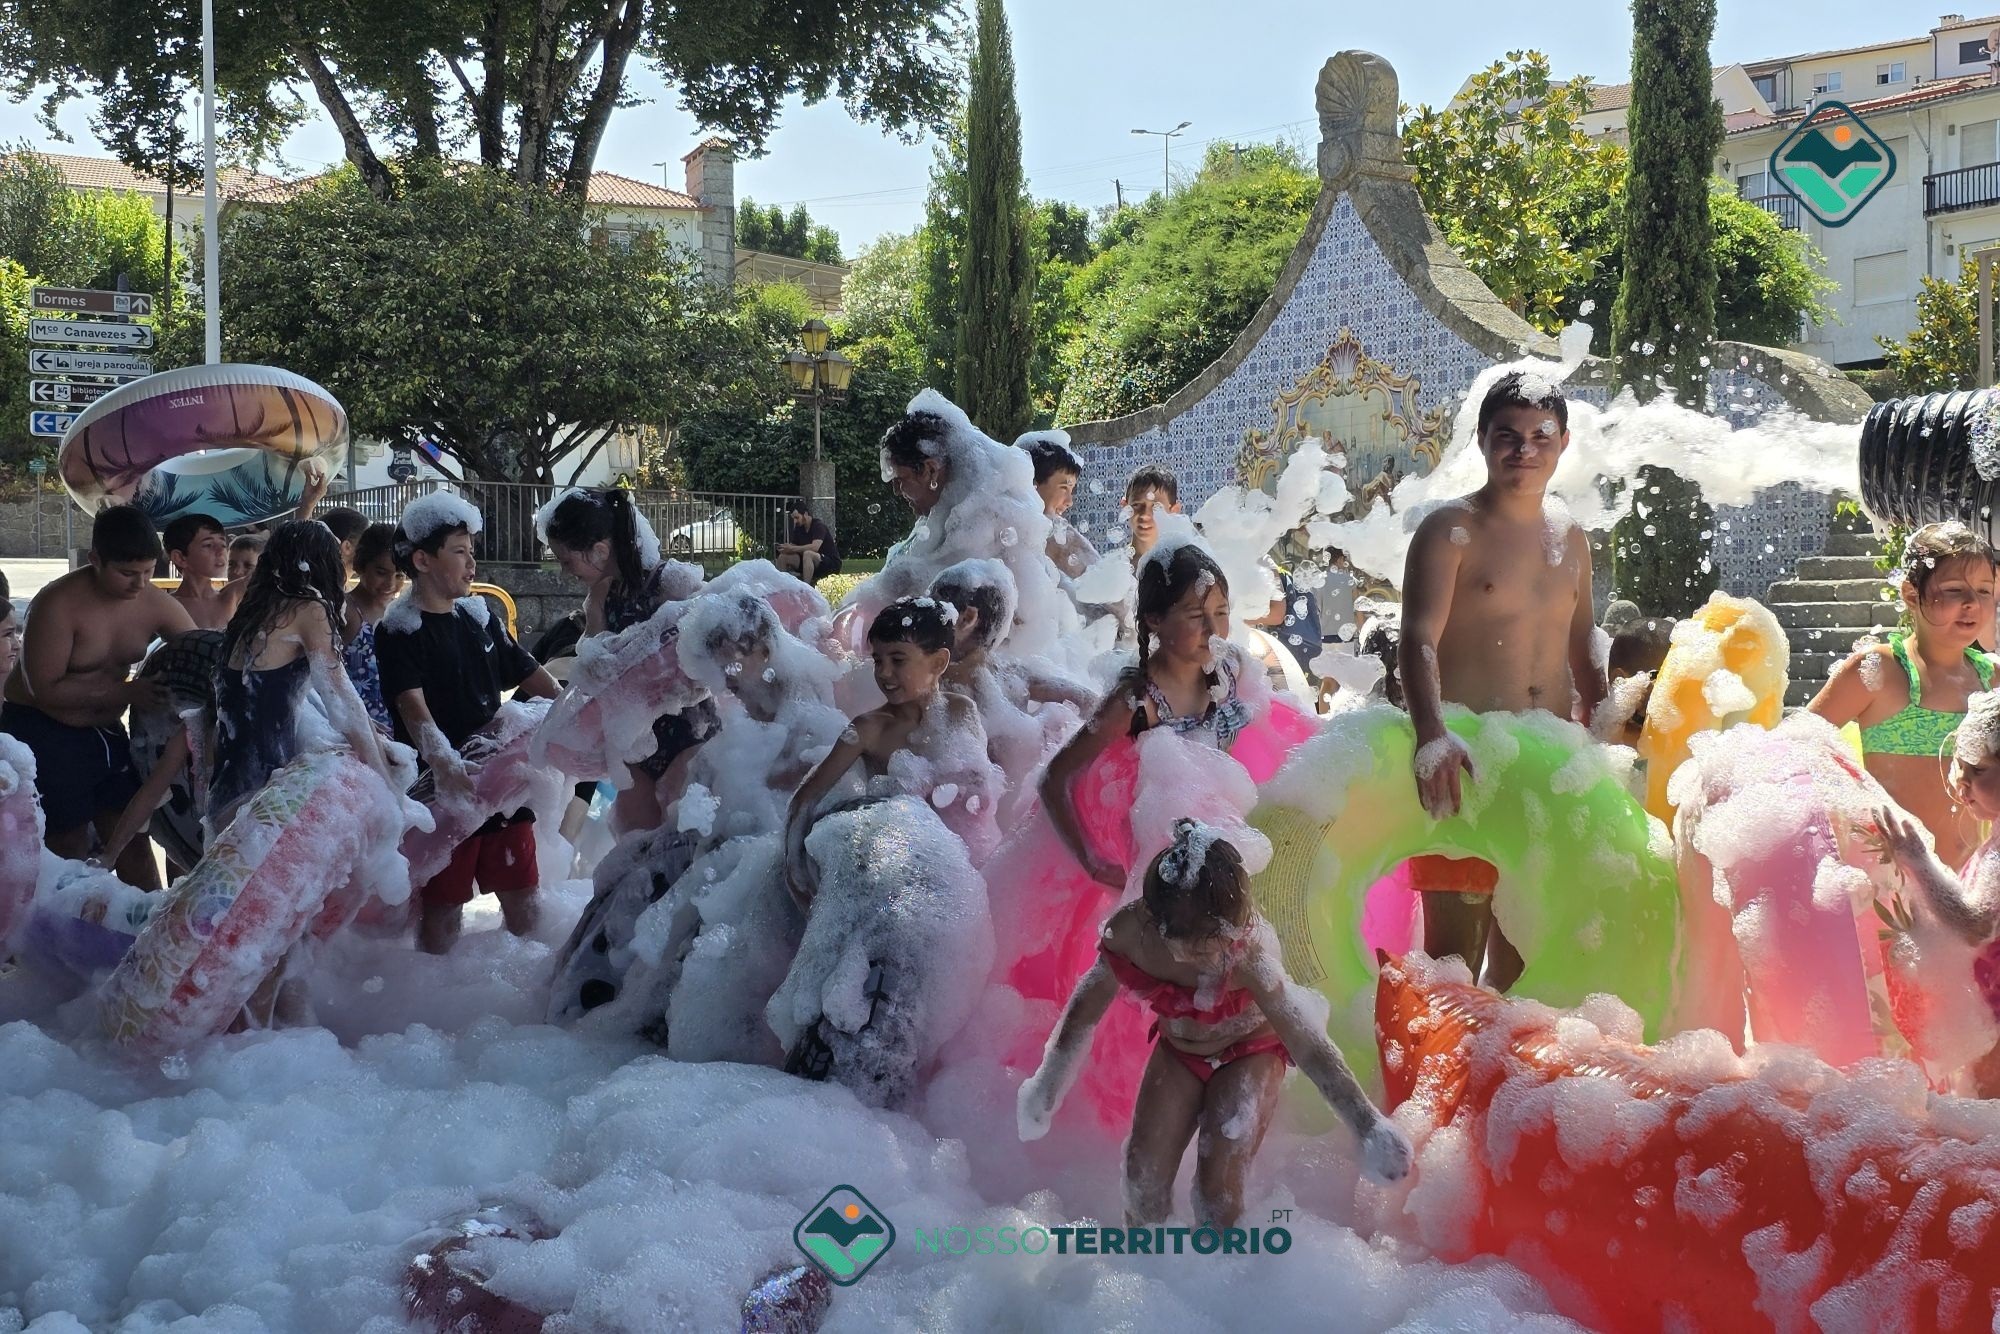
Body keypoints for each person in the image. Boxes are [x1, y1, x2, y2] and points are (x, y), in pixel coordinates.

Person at [1018, 821, 1411, 1225]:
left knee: (1217, 1189)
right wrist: (1047, 1084)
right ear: (1157, 924)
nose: (1205, 958)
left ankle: (1220, 1269)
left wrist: (1367, 1125)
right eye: (1190, 945)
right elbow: (1085, 1009)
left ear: (1236, 929)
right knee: (1141, 1181)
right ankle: (1152, 1276)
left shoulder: (1246, 957)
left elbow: (1308, 1044)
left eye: (1217, 943)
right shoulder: (1130, 935)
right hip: (1181, 1052)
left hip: (1250, 1052)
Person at [1397, 371, 1604, 991]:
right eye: (1506, 436)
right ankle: (1435, 1085)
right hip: (1469, 760)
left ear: (1563, 442)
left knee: (1528, 960)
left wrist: (1606, 734)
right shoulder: (1450, 529)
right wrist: (1431, 736)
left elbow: (1583, 644)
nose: (1524, 449)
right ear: (1482, 441)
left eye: (1540, 435)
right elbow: (1417, 638)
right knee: (1452, 965)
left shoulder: (1570, 537)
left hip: (1546, 763)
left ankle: (1505, 1086)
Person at [376, 495, 561, 954]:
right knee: (442, 908)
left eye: (471, 550)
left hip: (498, 781)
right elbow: (411, 708)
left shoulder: (480, 616)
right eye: (460, 550)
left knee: (524, 897)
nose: (472, 562)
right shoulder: (399, 629)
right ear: (422, 559)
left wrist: (573, 716)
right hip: (441, 793)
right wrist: (443, 762)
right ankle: (435, 1004)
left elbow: (536, 678)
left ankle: (532, 993)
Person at [2, 505, 193, 887]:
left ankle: (145, 930)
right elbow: (45, 689)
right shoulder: (57, 603)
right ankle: (61, 935)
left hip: (106, 730)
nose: (139, 583)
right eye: (126, 573)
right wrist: (127, 691)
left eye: (147, 571)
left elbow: (201, 651)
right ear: (95, 560)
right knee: (66, 841)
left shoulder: (153, 602)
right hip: (42, 729)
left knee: (132, 837)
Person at [1810, 521, 1998, 872]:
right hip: (1895, 884)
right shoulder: (1880, 671)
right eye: (1956, 590)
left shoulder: (1992, 679)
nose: (1972, 603)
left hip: (1971, 883)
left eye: (1985, 591)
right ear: (1912, 595)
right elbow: (1794, 747)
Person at [784, 597, 997, 902]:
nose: (884, 673)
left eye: (897, 660)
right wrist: (796, 874)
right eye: (878, 661)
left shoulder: (962, 711)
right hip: (893, 876)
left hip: (958, 870)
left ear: (938, 663)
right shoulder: (869, 728)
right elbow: (805, 799)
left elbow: (983, 795)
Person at [541, 486, 711, 832]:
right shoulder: (600, 597)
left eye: (567, 560)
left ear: (600, 551)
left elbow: (716, 631)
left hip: (690, 729)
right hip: (635, 741)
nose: (564, 571)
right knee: (638, 840)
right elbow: (594, 666)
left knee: (686, 833)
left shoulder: (668, 580)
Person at [208, 521, 395, 828]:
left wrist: (369, 729)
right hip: (267, 793)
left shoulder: (253, 612)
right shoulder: (309, 609)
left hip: (228, 789)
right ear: (325, 564)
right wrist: (391, 792)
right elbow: (343, 702)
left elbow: (283, 691)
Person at [1873, 687, 2000, 1097]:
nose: (1960, 782)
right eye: (1961, 767)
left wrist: (1918, 862)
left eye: (1977, 770)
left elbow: (1977, 924)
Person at [342, 523, 402, 733]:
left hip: (394, 730)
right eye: (381, 572)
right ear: (360, 565)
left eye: (399, 575)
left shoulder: (401, 613)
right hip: (354, 733)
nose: (390, 583)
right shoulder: (346, 611)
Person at [1018, 431, 1098, 583]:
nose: (1069, 501)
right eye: (1064, 488)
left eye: (1072, 490)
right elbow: (1116, 601)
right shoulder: (1057, 538)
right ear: (1032, 483)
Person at [162, 513, 242, 632]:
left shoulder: (231, 596)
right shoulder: (165, 606)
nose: (221, 551)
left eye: (223, 545)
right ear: (180, 558)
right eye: (208, 545)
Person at [775, 498, 842, 585]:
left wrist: (793, 548)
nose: (795, 521)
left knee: (808, 553)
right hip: (808, 562)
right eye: (793, 519)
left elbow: (815, 547)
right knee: (783, 557)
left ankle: (806, 589)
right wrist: (785, 548)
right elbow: (794, 546)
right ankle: (782, 588)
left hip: (829, 562)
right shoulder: (799, 528)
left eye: (797, 517)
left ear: (805, 514)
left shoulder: (818, 526)